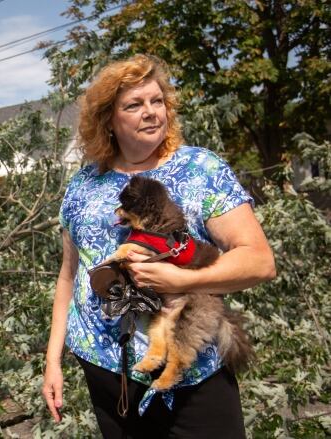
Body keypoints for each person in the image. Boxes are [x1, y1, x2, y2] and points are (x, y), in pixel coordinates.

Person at [42, 54, 276, 438]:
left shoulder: (201, 170)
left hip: (191, 375)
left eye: (157, 101)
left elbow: (260, 261)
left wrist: (179, 280)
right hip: (105, 369)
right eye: (134, 104)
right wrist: (53, 360)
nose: (151, 112)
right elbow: (68, 277)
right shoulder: (83, 186)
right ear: (109, 121)